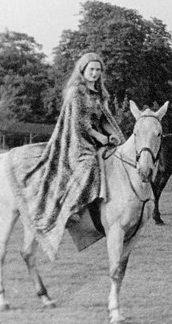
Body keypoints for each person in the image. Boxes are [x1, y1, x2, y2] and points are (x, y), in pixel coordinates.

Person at [8, 52, 124, 260]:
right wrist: (100, 136)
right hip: (76, 141)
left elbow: (105, 119)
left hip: (97, 140)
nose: (95, 73)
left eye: (98, 70)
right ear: (83, 70)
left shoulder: (99, 94)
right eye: (91, 70)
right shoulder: (76, 92)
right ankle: (72, 208)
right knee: (88, 165)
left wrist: (115, 135)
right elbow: (79, 123)